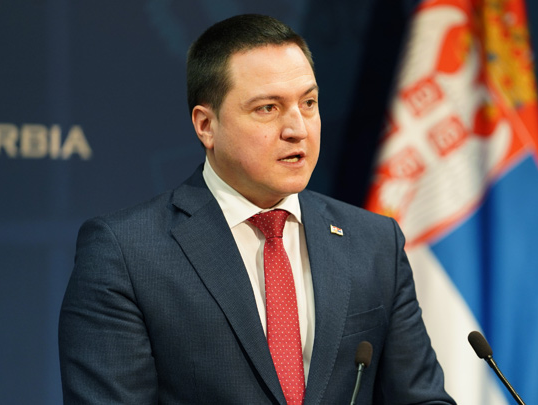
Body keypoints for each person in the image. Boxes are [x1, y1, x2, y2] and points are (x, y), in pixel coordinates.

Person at [58, 14, 454, 404]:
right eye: (268, 108)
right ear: (206, 125)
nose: (298, 129)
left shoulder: (374, 242)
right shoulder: (126, 254)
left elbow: (421, 398)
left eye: (309, 103)